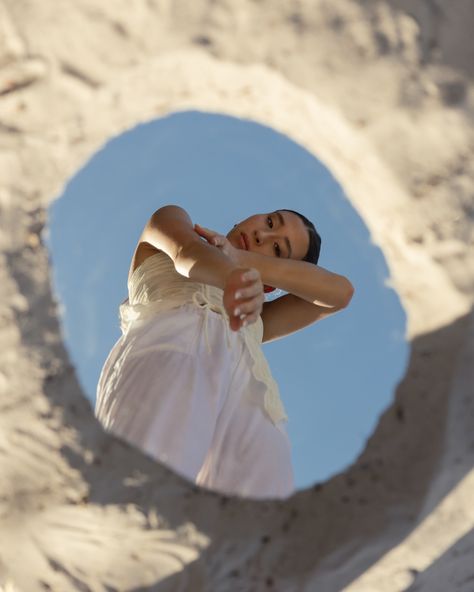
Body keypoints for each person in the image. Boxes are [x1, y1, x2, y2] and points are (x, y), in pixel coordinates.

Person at [95, 205, 354, 499]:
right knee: (134, 493)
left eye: (278, 249)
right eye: (270, 221)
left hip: (258, 410)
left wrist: (243, 259)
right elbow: (187, 253)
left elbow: (340, 293)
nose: (262, 235)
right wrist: (234, 275)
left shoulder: (258, 317)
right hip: (175, 350)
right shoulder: (172, 218)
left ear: (272, 284)